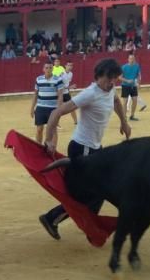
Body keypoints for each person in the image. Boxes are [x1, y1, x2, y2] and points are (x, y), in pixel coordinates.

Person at [38, 57, 131, 240]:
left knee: (98, 191)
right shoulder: (90, 93)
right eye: (108, 79)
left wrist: (124, 123)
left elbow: (117, 102)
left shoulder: (109, 90)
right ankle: (59, 219)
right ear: (98, 77)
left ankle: (81, 221)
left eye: (114, 78)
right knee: (90, 194)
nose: (112, 82)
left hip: (95, 149)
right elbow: (57, 112)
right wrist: (49, 140)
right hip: (82, 149)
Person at [30, 61, 63, 145]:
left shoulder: (58, 79)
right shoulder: (39, 79)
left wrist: (58, 110)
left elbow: (60, 96)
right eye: (46, 68)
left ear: (53, 69)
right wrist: (32, 108)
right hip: (40, 107)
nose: (48, 69)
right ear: (43, 69)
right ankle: (39, 148)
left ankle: (53, 150)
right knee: (39, 129)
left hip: (52, 108)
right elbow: (35, 94)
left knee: (53, 130)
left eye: (50, 67)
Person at [121, 53, 142, 120]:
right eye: (130, 59)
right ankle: (124, 116)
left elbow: (138, 75)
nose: (132, 60)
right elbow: (119, 77)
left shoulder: (137, 66)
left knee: (135, 100)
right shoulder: (124, 67)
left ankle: (132, 115)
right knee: (125, 101)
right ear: (128, 59)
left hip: (133, 86)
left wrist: (138, 83)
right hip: (125, 86)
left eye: (133, 59)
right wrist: (127, 81)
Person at [60, 61, 78, 125]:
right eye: (69, 65)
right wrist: (70, 87)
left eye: (71, 65)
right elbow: (59, 87)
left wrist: (69, 91)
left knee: (72, 107)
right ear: (65, 66)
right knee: (57, 109)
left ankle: (76, 122)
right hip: (60, 94)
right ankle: (54, 122)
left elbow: (67, 84)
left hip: (66, 93)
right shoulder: (61, 74)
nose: (70, 67)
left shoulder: (71, 74)